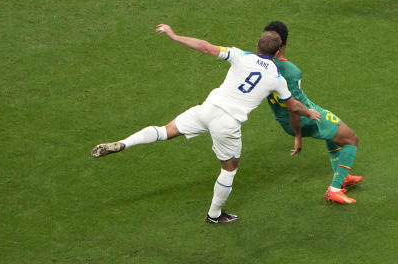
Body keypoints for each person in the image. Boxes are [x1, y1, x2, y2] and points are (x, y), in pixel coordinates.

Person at [91, 25, 321, 224]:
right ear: (279, 51)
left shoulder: (240, 55)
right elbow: (292, 106)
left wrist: (174, 35)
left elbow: (205, 46)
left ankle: (123, 143)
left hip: (207, 109)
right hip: (227, 123)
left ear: (257, 45)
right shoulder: (277, 78)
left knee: (164, 131)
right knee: (229, 169)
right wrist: (309, 112)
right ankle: (214, 214)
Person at [262, 20, 362, 205]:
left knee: (332, 132)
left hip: (285, 118)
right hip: (303, 116)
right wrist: (298, 135)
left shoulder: (259, 66)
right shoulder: (290, 71)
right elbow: (294, 106)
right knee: (351, 139)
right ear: (284, 44)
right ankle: (334, 189)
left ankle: (343, 176)